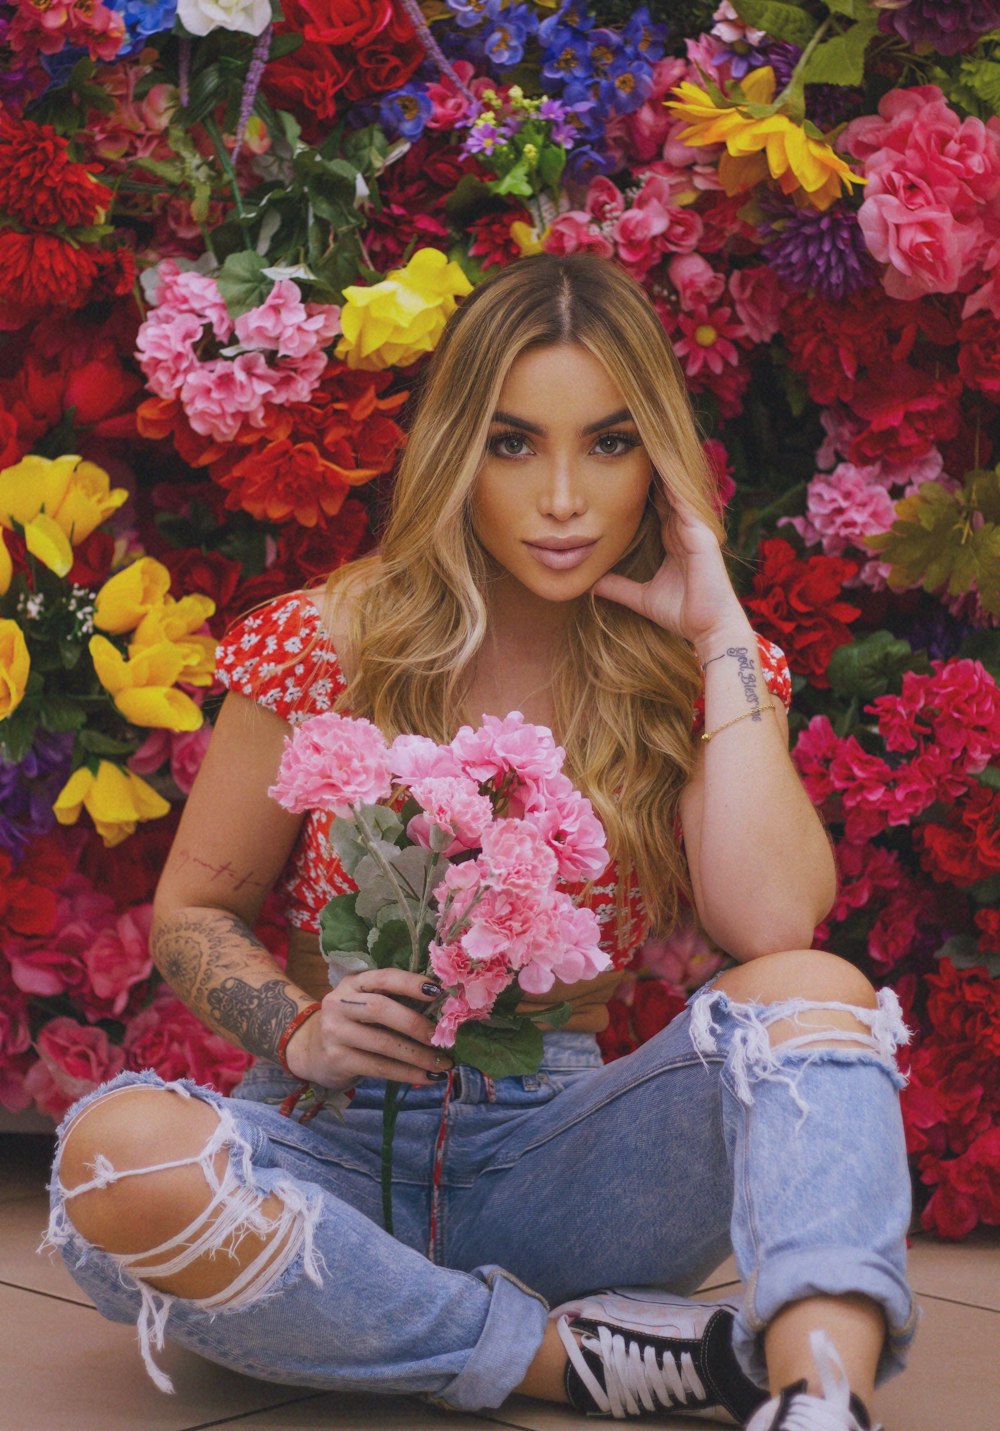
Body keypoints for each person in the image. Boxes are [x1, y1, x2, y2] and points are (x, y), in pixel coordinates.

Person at [42, 253, 916, 1431]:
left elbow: (770, 928)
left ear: (656, 459)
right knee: (121, 1154)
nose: (562, 496)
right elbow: (194, 917)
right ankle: (565, 1360)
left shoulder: (693, 671)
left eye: (607, 444)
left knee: (815, 993)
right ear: (456, 449)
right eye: (513, 443)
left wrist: (722, 641)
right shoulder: (321, 642)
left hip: (567, 1165)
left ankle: (818, 1397)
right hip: (325, 1159)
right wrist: (297, 1030)